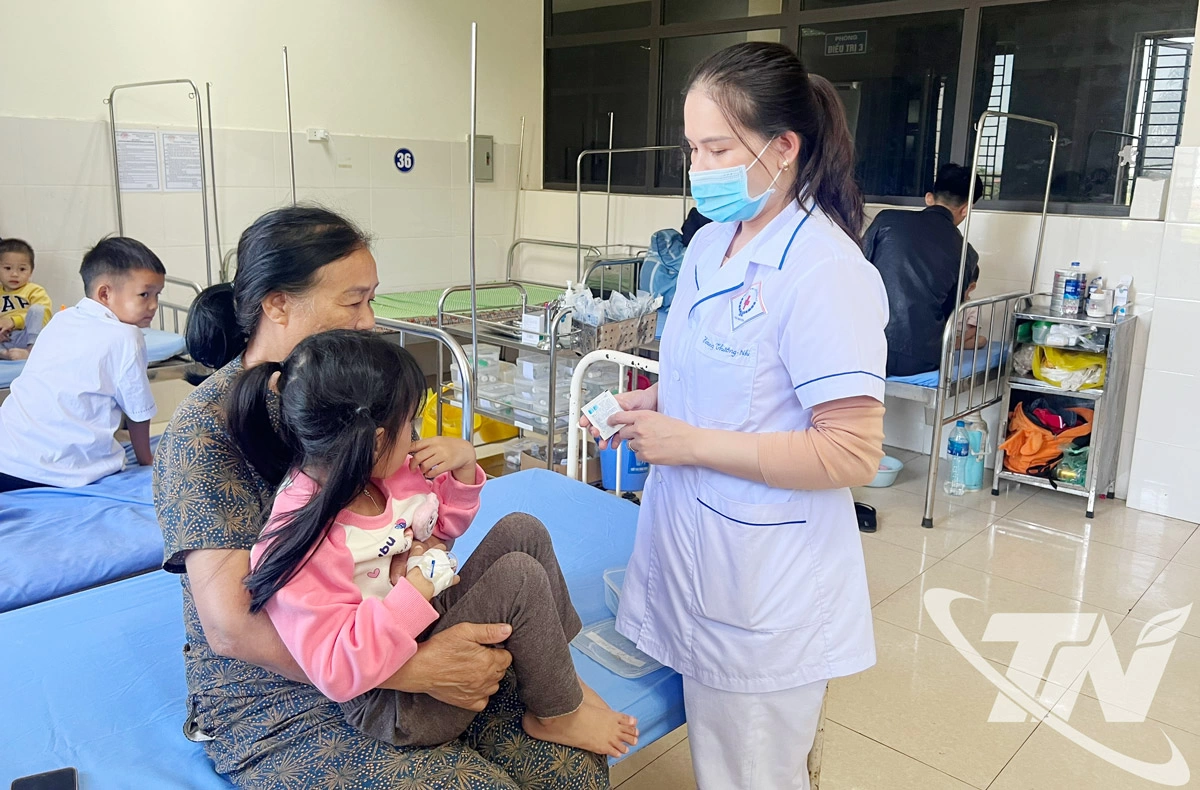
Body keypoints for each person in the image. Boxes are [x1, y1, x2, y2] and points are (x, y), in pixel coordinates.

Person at [153, 205, 609, 788]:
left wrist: (453, 488)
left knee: (571, 774)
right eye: (354, 301)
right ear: (277, 303)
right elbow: (231, 629)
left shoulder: (365, 387)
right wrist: (412, 669)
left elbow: (423, 527)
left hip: (391, 626)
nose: (370, 320)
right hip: (281, 687)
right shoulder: (205, 435)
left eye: (372, 300)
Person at [583, 42, 886, 789]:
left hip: (764, 578)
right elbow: (729, 377)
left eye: (718, 147)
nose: (700, 168)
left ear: (785, 147)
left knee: (753, 774)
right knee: (721, 762)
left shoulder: (827, 272)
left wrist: (689, 441)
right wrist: (659, 404)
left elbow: (851, 453)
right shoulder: (711, 244)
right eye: (693, 148)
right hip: (695, 544)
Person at [230, 329, 639, 758]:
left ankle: (560, 672)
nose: (416, 437)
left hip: (422, 627)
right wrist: (416, 590)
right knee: (518, 578)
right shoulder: (301, 537)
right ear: (374, 440)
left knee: (523, 529)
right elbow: (335, 669)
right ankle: (555, 714)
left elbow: (441, 527)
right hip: (393, 703)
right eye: (410, 425)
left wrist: (463, 465)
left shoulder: (382, 472)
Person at [0, 237, 162, 493]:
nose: (154, 305)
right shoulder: (126, 336)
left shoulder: (62, 319)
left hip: (6, 456)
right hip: (57, 471)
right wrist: (146, 461)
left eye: (157, 295)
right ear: (105, 293)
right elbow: (138, 412)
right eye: (145, 294)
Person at [863, 162, 985, 376]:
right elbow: (950, 312)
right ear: (966, 209)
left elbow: (858, 271)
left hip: (868, 348)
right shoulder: (967, 254)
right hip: (919, 359)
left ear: (930, 198)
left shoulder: (887, 220)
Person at [0, 238, 53, 360]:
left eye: (22, 269)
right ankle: (5, 354)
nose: (14, 274)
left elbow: (44, 315)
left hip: (26, 336)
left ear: (31, 272)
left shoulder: (34, 290)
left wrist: (14, 321)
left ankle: (32, 350)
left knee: (38, 310)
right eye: (8, 268)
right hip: (5, 339)